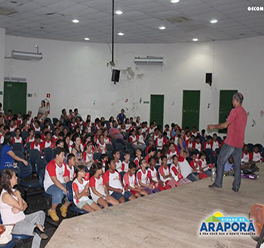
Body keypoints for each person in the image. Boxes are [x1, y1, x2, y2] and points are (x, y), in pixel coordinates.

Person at [208, 93, 247, 192]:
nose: (232, 102)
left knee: (220, 161)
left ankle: (218, 183)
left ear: (235, 99)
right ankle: (236, 186)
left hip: (231, 141)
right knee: (237, 164)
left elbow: (225, 125)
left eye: (233, 100)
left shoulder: (234, 111)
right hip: (239, 142)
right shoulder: (244, 112)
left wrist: (214, 126)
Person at [0, 169, 48, 248]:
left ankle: (38, 227)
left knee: (41, 213)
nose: (17, 178)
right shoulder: (5, 195)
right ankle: (37, 228)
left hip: (23, 219)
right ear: (10, 179)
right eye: (15, 176)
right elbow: (21, 206)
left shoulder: (13, 191)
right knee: (36, 230)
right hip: (14, 225)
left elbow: (25, 204)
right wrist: (19, 195)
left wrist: (19, 208)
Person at [43, 147, 71, 221]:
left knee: (72, 190)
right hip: (50, 185)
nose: (64, 157)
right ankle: (52, 210)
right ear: (57, 156)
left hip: (61, 183)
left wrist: (69, 186)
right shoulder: (51, 165)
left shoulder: (64, 165)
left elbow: (66, 178)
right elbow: (54, 180)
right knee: (59, 193)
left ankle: (64, 207)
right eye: (62, 155)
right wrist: (65, 189)